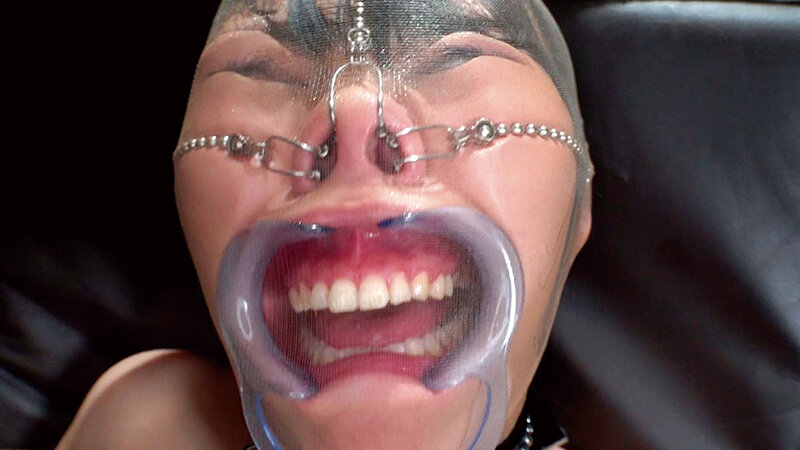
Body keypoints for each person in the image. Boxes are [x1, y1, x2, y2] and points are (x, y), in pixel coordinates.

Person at [58, 0, 592, 448]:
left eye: (457, 55)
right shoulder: (141, 426)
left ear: (579, 208)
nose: (354, 115)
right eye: (257, 71)